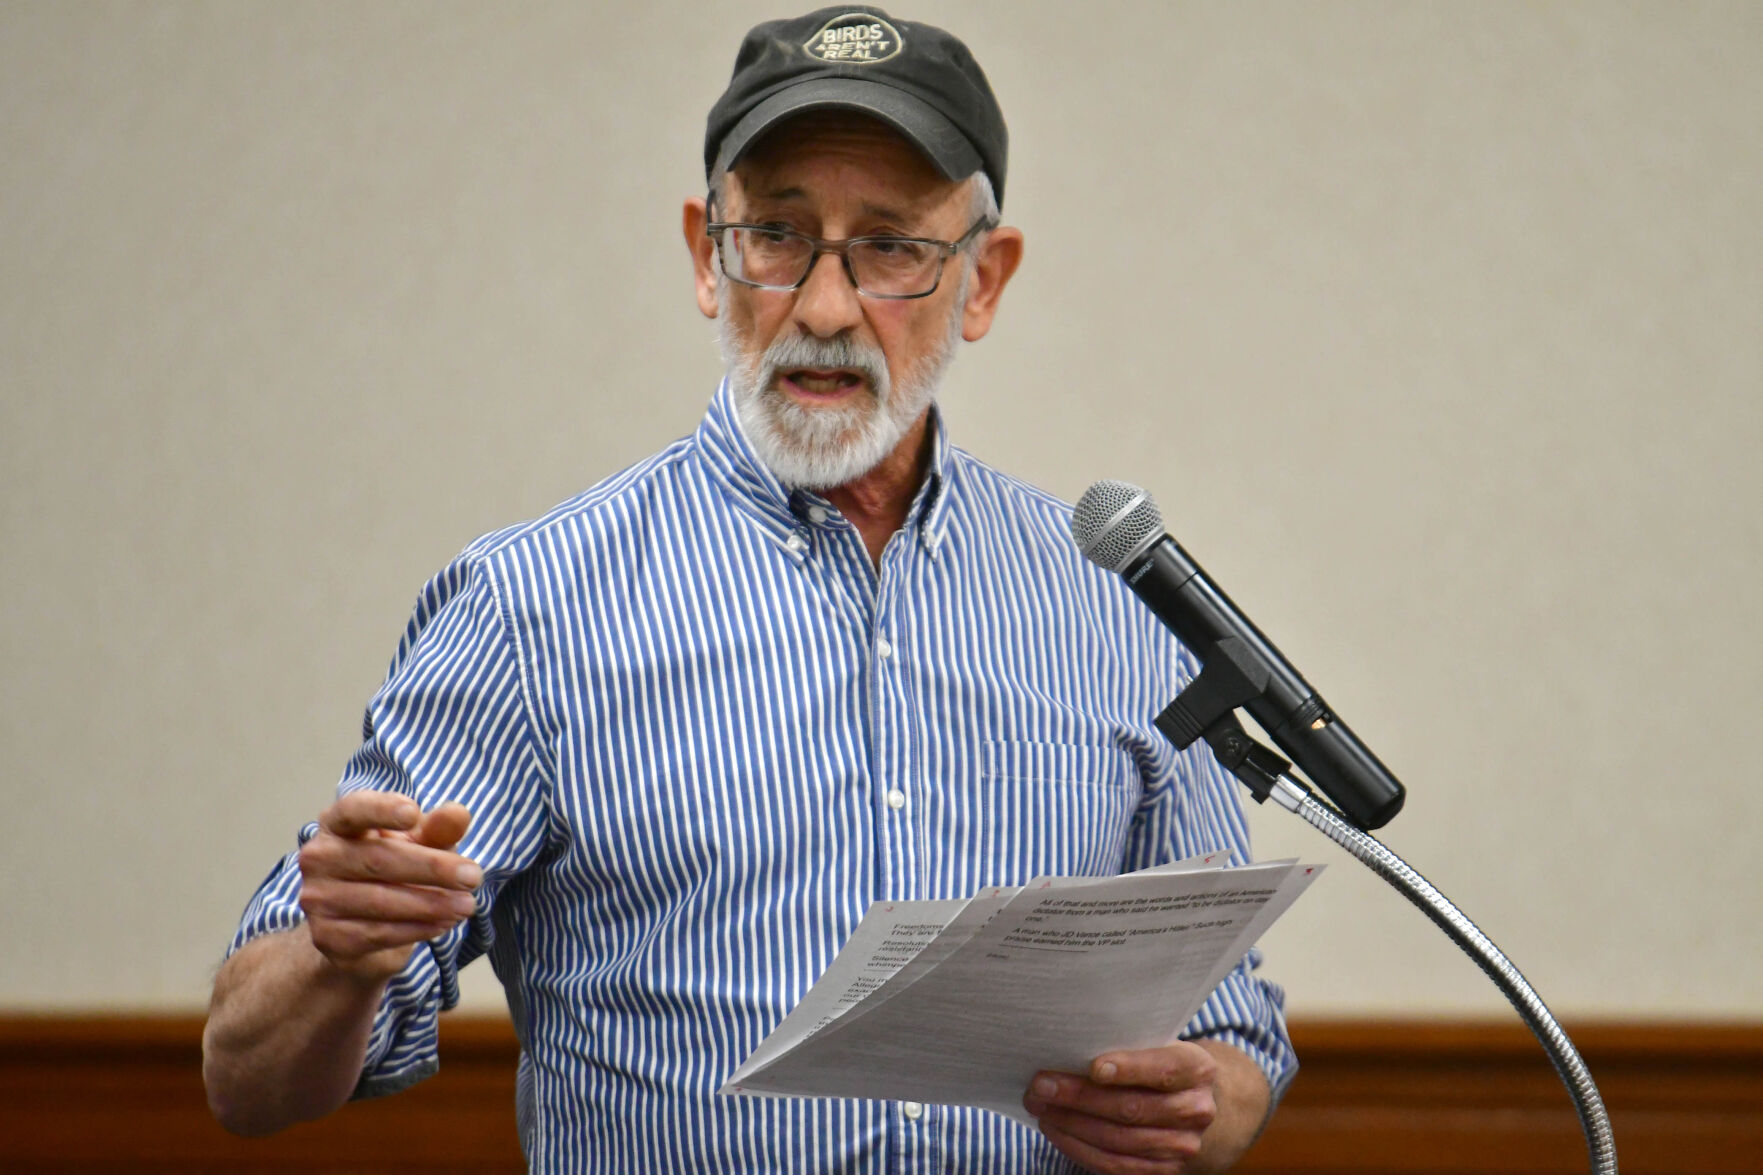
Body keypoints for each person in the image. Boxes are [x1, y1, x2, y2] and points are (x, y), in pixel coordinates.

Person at [202, 8, 1296, 1173]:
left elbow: (1229, 1035)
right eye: (775, 236)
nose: (822, 309)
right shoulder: (530, 607)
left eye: (890, 248)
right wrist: (340, 956)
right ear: (702, 252)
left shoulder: (1114, 606)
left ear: (982, 280)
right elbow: (246, 1078)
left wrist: (1190, 1106)